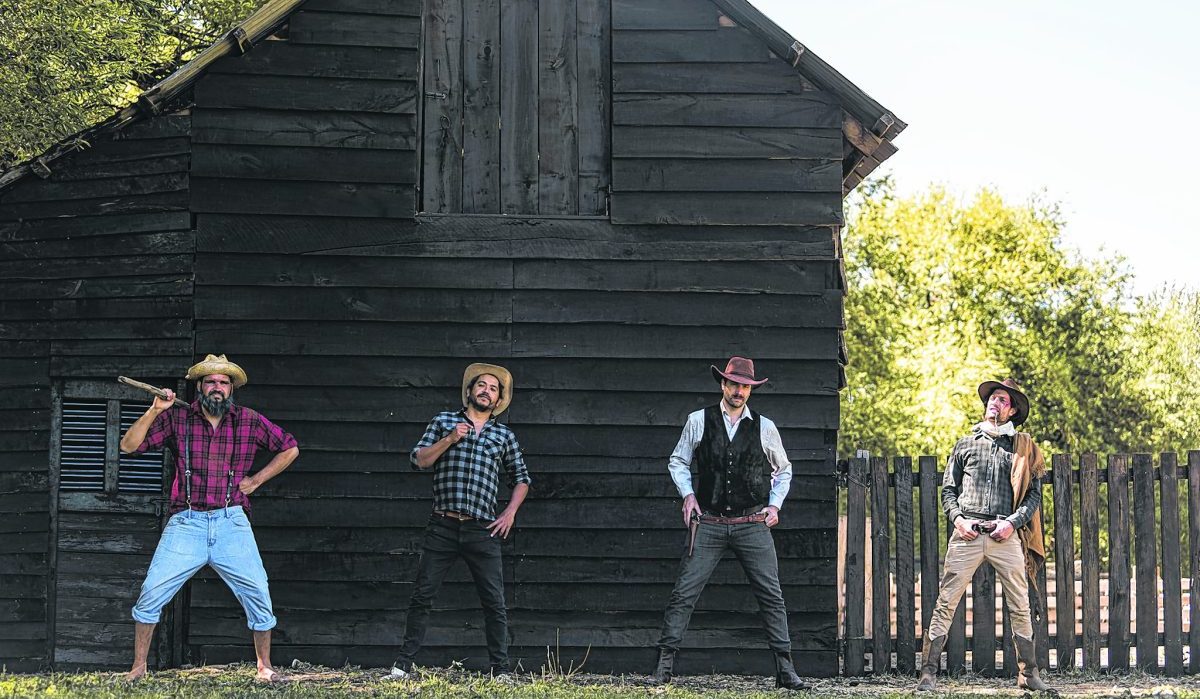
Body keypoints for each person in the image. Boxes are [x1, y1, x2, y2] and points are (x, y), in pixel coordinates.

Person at [120, 354, 299, 682]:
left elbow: (290, 448)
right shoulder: (177, 419)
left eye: (223, 382)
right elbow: (129, 445)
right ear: (199, 387)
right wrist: (154, 409)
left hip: (232, 522)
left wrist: (256, 481)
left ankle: (264, 667)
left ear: (231, 389)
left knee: (258, 591)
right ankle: (138, 667)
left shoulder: (249, 420)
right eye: (211, 381)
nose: (217, 387)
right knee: (151, 592)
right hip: (186, 523)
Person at [650, 356, 809, 690]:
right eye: (734, 384)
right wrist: (688, 496)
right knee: (684, 592)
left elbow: (784, 470)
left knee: (771, 595)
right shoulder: (699, 420)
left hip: (752, 522)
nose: (739, 391)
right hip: (707, 521)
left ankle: (785, 670)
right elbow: (678, 461)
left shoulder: (765, 427)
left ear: (751, 389)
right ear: (722, 384)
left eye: (745, 386)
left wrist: (775, 505)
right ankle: (663, 667)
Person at [389, 362, 532, 678]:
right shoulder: (444, 422)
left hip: (482, 529)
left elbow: (522, 478)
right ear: (470, 391)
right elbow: (419, 460)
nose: (487, 391)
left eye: (494, 389)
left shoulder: (504, 435)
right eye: (482, 385)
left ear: (498, 400)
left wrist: (509, 513)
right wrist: (450, 439)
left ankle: (501, 670)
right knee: (422, 596)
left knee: (494, 602)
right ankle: (402, 666)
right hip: (443, 525)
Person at [916, 378, 1052, 693]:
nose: (995, 402)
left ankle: (1028, 675)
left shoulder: (1022, 447)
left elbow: (1033, 496)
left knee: (1020, 603)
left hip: (1005, 534)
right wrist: (958, 519)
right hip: (967, 534)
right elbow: (948, 491)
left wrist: (1013, 523)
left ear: (1013, 409)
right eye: (993, 398)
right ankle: (928, 674)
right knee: (946, 602)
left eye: (1003, 400)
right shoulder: (965, 444)